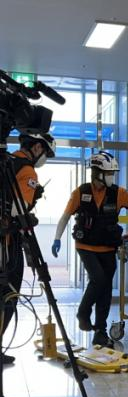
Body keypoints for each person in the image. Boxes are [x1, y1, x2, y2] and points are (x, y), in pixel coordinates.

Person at [52, 151, 128, 347]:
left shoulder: (117, 193)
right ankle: (83, 312)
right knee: (98, 279)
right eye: (109, 173)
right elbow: (65, 216)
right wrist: (57, 238)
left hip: (107, 248)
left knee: (105, 289)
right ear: (97, 174)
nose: (112, 177)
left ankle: (100, 332)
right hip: (85, 246)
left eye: (113, 173)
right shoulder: (80, 192)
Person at [1, 133, 54, 364]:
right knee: (9, 296)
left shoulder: (7, 161)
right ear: (38, 147)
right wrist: (29, 212)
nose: (44, 158)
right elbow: (17, 211)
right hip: (7, 243)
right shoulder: (28, 171)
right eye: (46, 153)